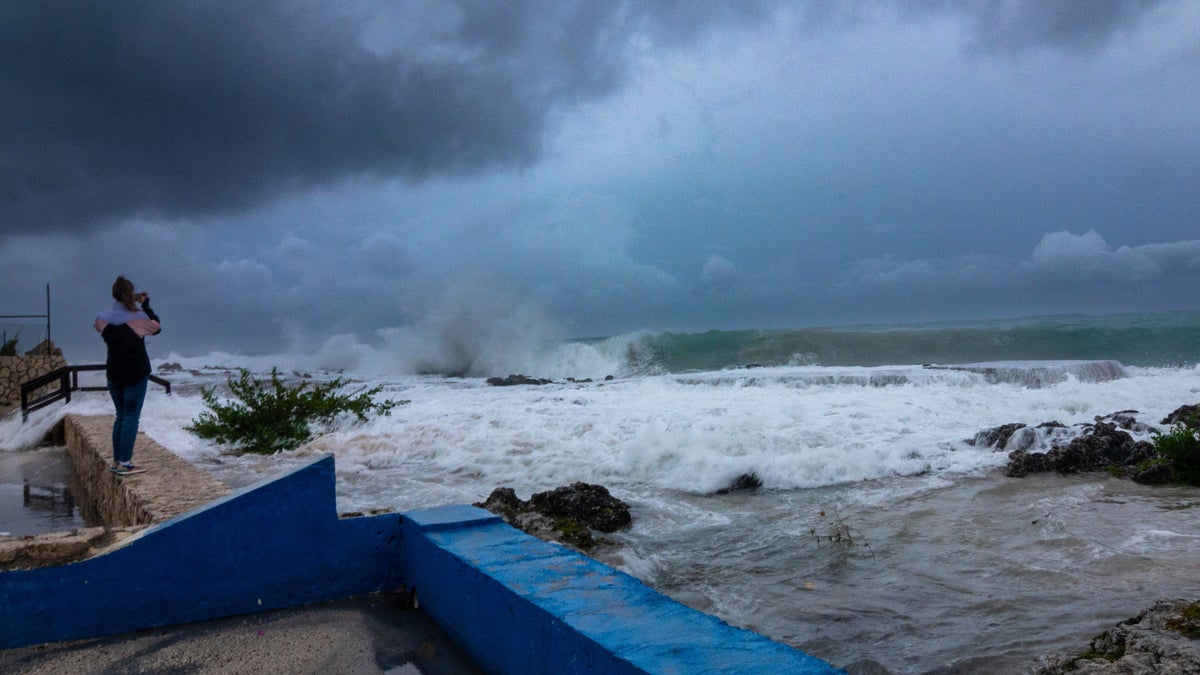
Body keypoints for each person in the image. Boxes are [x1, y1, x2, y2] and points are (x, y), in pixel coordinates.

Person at [94, 276, 162, 475]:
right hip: (136, 371)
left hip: (114, 372)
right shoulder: (138, 317)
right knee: (131, 417)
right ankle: (126, 462)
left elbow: (97, 327)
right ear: (130, 295)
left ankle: (116, 461)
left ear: (114, 294)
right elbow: (156, 327)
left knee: (121, 416)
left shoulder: (102, 317)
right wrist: (146, 304)